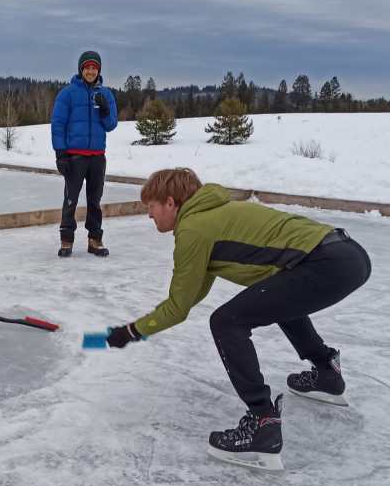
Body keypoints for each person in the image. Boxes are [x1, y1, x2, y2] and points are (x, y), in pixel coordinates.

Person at [97, 168, 371, 470]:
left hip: (327, 263)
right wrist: (135, 330)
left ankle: (262, 422)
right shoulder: (215, 214)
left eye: (151, 206)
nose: (149, 214)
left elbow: (178, 307)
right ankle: (326, 371)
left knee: (227, 321)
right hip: (349, 255)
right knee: (274, 299)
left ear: (170, 202)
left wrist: (131, 331)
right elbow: (188, 298)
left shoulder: (194, 229)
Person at [50, 50, 119, 258]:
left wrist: (105, 111)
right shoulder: (68, 94)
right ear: (81, 70)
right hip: (75, 156)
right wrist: (60, 154)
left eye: (94, 68)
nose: (90, 71)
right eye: (87, 67)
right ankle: (66, 240)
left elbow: (111, 125)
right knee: (70, 199)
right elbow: (58, 124)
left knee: (94, 201)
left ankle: (94, 240)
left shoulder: (105, 94)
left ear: (99, 71)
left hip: (97, 156)